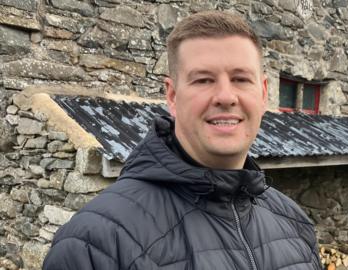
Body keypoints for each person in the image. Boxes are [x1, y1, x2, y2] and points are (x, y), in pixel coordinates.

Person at [43, 11, 321, 270]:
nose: (225, 96)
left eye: (240, 79)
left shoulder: (294, 223)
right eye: (203, 80)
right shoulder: (96, 242)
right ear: (173, 96)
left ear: (262, 93)